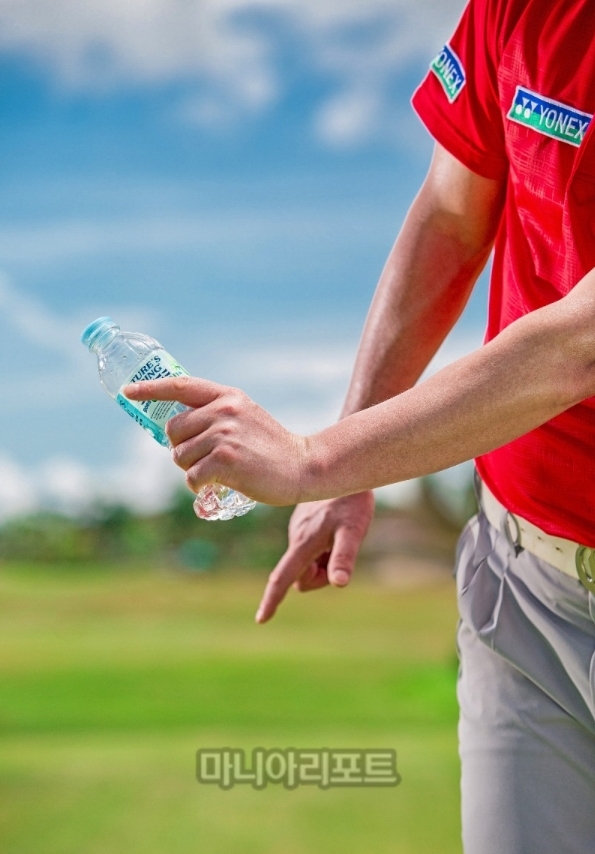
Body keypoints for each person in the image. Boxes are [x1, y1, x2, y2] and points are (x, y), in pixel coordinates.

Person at [125, 0, 595, 850]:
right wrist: (358, 459)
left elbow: (580, 345)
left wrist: (315, 460)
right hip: (520, 579)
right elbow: (452, 219)